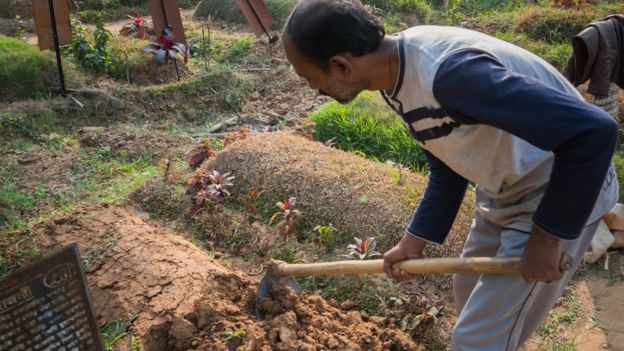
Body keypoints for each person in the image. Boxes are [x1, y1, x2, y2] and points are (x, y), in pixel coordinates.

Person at [282, 0, 619, 350]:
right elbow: (447, 165)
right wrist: (414, 241)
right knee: (468, 294)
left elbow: (592, 132)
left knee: (476, 340)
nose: (313, 89)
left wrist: (547, 238)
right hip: (506, 188)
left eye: (309, 78)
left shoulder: (450, 75)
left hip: (558, 191)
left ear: (340, 65)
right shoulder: (395, 74)